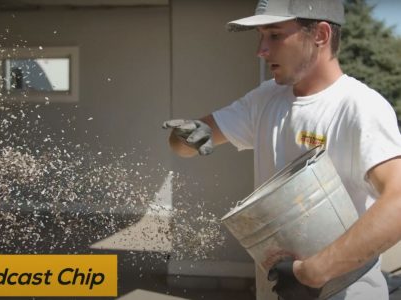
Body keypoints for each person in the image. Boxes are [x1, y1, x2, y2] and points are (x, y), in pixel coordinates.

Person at [163, 0, 401, 299]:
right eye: (260, 36)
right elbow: (183, 145)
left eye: (275, 35)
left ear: (321, 35)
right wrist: (185, 137)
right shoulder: (265, 100)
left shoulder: (358, 107)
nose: (261, 50)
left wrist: (312, 272)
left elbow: (397, 202)